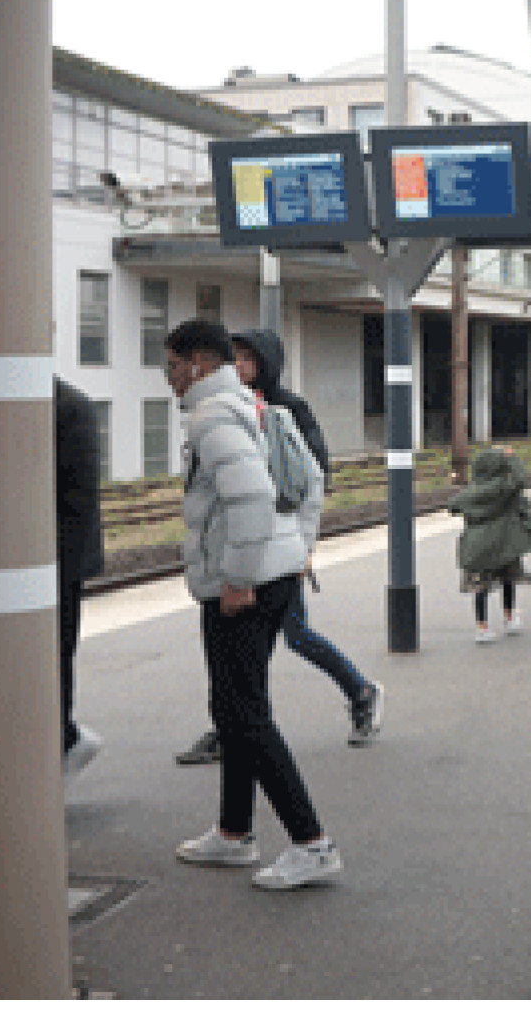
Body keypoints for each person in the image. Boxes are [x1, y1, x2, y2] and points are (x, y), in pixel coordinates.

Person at [164, 319, 343, 891]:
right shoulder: (258, 407)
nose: (166, 378)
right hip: (271, 574)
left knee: (244, 712)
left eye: (170, 366)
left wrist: (239, 578)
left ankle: (312, 843)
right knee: (234, 705)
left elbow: (251, 496)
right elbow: (312, 482)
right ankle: (234, 831)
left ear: (195, 364)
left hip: (243, 584)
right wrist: (298, 551)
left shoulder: (214, 415)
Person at [176, 328, 380, 765]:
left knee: (295, 637)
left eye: (248, 359)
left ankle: (358, 690)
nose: (241, 367)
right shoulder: (228, 407)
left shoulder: (285, 409)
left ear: (265, 363)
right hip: (255, 554)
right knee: (255, 656)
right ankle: (234, 730)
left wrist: (303, 545)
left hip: (272, 557)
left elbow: (313, 477)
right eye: (236, 359)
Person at [54, 376, 106, 776]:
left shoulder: (68, 406)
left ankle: (63, 741)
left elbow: (76, 502)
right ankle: (63, 739)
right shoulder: (69, 404)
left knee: (54, 661)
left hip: (57, 565)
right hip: (55, 562)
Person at [448, 445, 531, 642]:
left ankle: (482, 628)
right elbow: (520, 479)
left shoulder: (471, 491)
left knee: (480, 589)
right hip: (504, 543)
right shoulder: (503, 487)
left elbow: (453, 506)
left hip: (476, 547)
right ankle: (509, 618)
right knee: (508, 581)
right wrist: (511, 457)